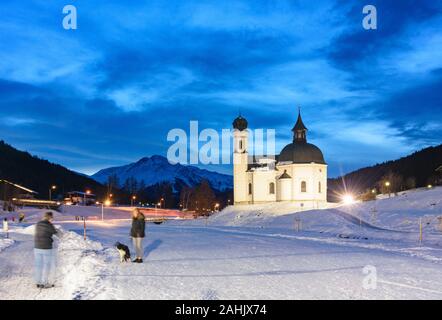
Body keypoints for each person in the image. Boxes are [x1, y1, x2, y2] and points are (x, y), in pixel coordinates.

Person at [34, 212, 58, 289]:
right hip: (46, 247)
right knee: (46, 265)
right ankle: (44, 283)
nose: (52, 219)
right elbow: (56, 233)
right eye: (52, 218)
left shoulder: (38, 224)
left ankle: (38, 282)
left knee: (38, 265)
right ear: (50, 218)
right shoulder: (49, 225)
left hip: (37, 247)